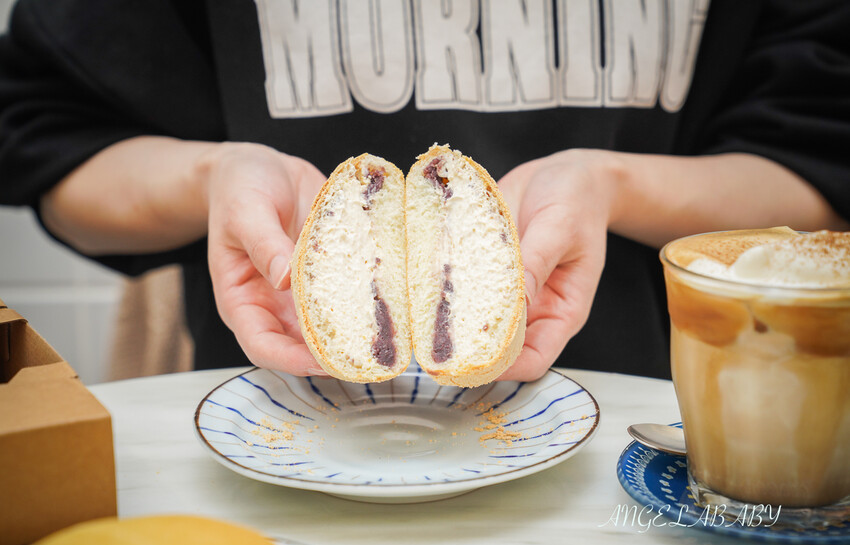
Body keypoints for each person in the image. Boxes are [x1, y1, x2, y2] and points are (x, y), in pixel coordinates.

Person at [1, 0, 848, 381]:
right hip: (283, 445)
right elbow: (52, 142)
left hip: (627, 459)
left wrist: (614, 186)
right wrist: (211, 174)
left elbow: (815, 171)